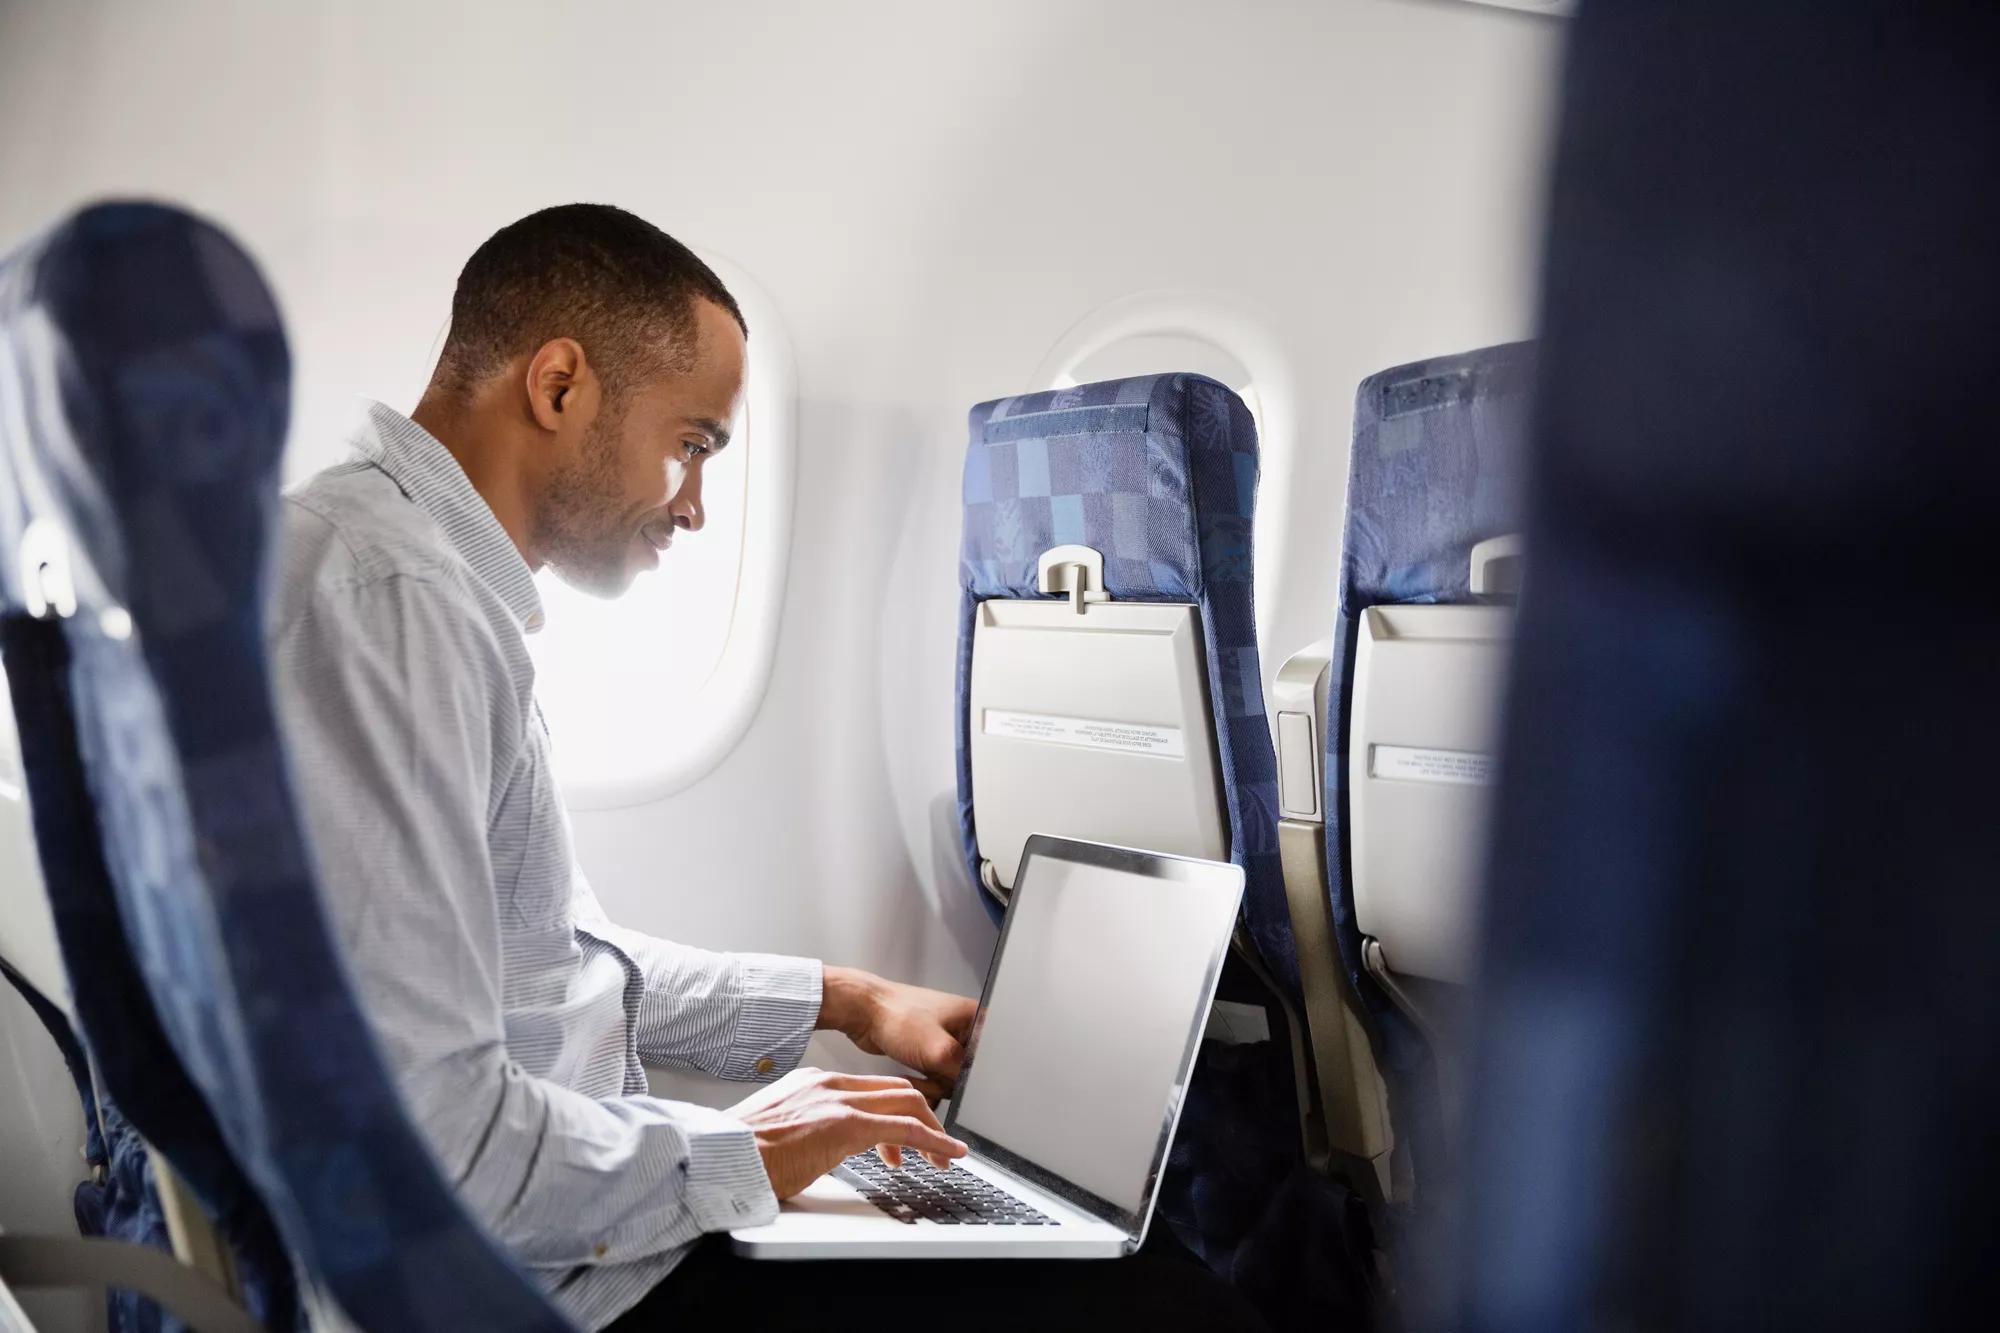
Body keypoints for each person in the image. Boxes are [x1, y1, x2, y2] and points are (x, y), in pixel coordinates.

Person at [271, 203, 1264, 1330]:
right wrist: (750, 1150)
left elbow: (552, 967)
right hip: (553, 1291)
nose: (693, 504)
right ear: (558, 386)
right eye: (690, 443)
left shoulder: (415, 582)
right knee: (1161, 1304)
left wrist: (848, 1000)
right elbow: (437, 1148)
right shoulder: (392, 606)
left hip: (574, 1248)